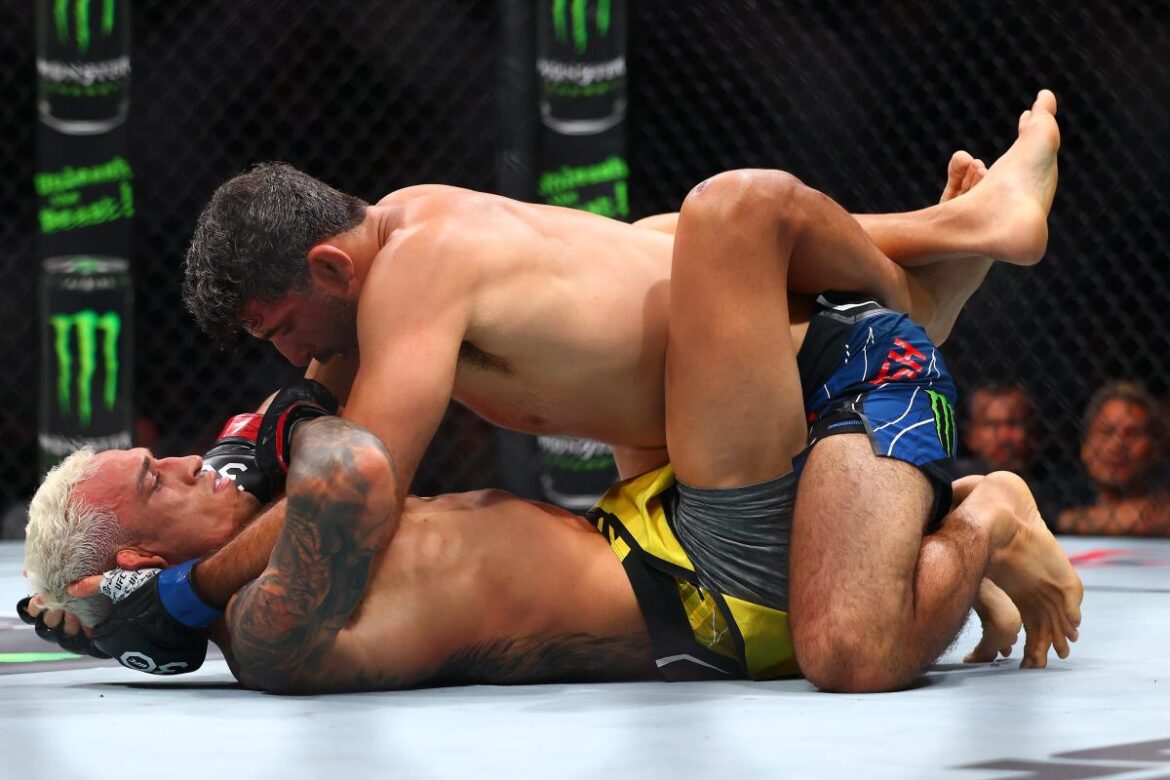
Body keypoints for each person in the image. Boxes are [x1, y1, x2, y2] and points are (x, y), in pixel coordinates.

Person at [23, 202, 1082, 690]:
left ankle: (947, 247)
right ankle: (978, 509)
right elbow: (346, 469)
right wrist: (171, 604)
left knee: (655, 261)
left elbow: (297, 426)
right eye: (161, 479)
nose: (196, 459)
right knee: (731, 220)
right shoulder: (266, 627)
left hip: (656, 510)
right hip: (706, 587)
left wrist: (146, 602)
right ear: (141, 557)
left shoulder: (406, 258)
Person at [182, 92, 1060, 490]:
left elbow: (361, 483)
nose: (292, 355)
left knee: (722, 225)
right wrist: (222, 471)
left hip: (764, 367)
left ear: (331, 269)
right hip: (690, 382)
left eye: (283, 327)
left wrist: (189, 580)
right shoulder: (399, 224)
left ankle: (949, 259)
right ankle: (959, 227)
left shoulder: (410, 274)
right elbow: (298, 417)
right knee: (654, 239)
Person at [1055, 381, 1170, 536]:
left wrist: (1067, 520)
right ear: (1085, 447)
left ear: (1155, 448)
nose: (1116, 445)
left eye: (1132, 434)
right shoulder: (1058, 493)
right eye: (1106, 432)